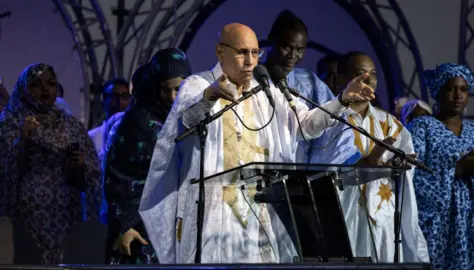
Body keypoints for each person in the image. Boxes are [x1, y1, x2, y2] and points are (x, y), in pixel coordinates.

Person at [139, 23, 374, 264]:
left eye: (255, 52)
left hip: (260, 211)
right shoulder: (199, 85)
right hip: (215, 213)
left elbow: (306, 125)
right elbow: (185, 124)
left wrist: (342, 100)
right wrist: (210, 97)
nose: (251, 61)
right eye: (242, 52)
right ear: (220, 52)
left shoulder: (267, 92)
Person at [0, 63, 101, 264]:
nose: (45, 89)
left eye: (51, 83)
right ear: (24, 89)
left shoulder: (70, 124)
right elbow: (6, 172)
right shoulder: (11, 122)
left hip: (65, 213)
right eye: (37, 84)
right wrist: (22, 140)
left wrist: (79, 165)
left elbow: (90, 175)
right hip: (27, 215)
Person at [334, 51, 429, 262]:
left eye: (373, 73)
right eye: (360, 73)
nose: (369, 80)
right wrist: (370, 163)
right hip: (347, 214)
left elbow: (407, 166)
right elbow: (326, 169)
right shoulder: (331, 120)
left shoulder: (389, 123)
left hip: (382, 214)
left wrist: (400, 164)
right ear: (341, 78)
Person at [105, 48, 191, 264]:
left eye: (178, 89)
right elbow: (119, 176)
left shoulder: (183, 115)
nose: (172, 97)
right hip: (140, 228)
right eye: (165, 90)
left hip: (172, 224)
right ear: (154, 87)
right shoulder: (139, 122)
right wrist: (124, 224)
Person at [407, 63, 474, 270]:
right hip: (438, 221)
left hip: (472, 220)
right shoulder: (422, 127)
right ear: (438, 91)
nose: (458, 95)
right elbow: (411, 175)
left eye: (464, 89)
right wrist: (456, 170)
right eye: (451, 88)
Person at [264, 10, 357, 165]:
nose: (292, 55)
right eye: (286, 47)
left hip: (300, 179)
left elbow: (335, 131)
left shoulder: (310, 83)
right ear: (271, 40)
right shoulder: (249, 78)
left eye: (299, 50)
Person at [88, 78, 131, 161]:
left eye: (124, 96)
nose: (120, 101)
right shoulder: (91, 137)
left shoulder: (138, 135)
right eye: (114, 96)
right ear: (104, 101)